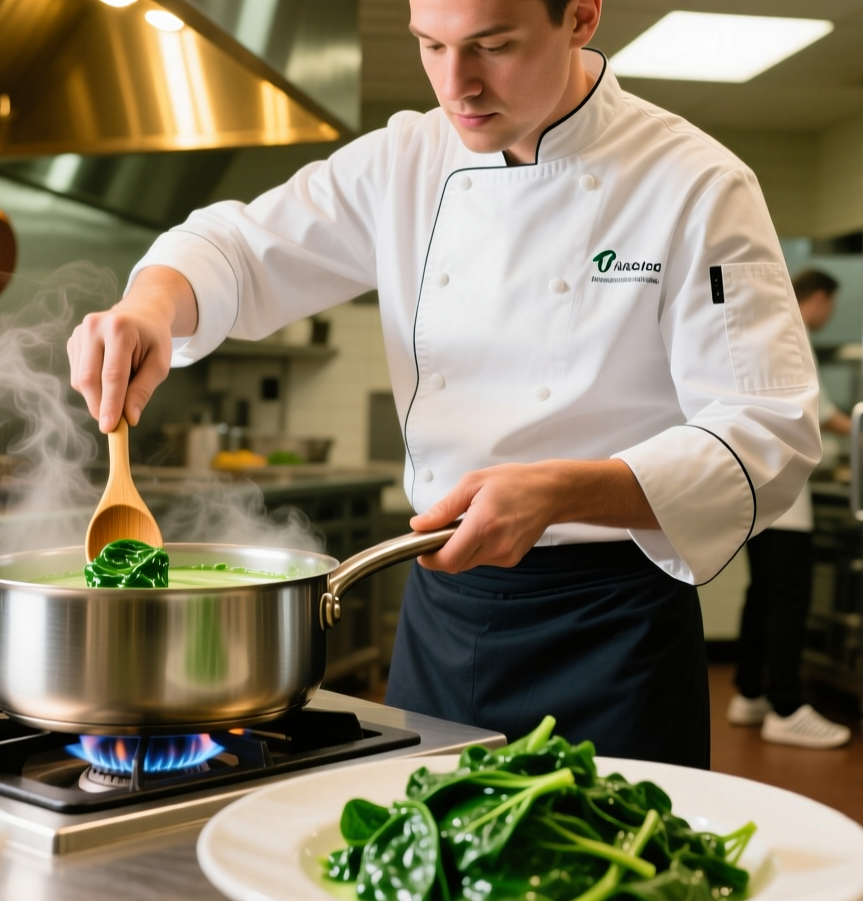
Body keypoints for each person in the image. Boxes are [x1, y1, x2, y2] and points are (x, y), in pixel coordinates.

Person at [65, 0, 821, 768]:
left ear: (582, 17)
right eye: (431, 45)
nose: (457, 84)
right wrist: (149, 306)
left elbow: (767, 432)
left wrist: (563, 491)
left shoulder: (697, 183)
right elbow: (236, 248)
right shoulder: (408, 159)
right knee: (418, 864)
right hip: (442, 611)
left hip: (614, 623)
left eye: (493, 46)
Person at [727, 268, 853, 749]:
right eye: (830, 305)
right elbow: (820, 416)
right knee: (787, 600)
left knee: (762, 595)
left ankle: (751, 693)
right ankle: (786, 705)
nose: (829, 315)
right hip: (787, 501)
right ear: (816, 299)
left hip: (755, 494)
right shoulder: (793, 336)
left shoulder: (764, 330)